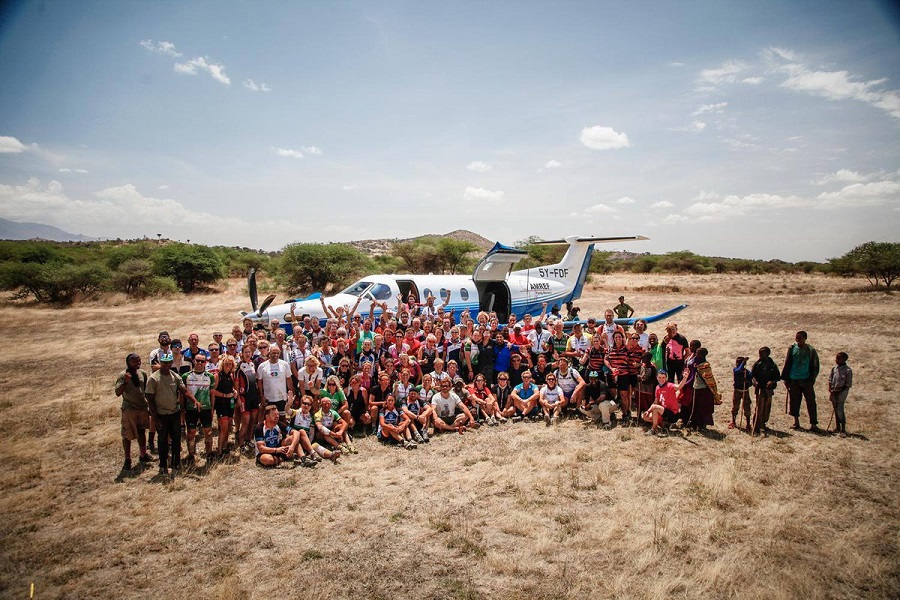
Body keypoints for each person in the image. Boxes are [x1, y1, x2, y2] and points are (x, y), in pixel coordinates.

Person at [145, 352, 187, 478]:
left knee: (176, 439)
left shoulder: (175, 376)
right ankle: (163, 465)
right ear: (160, 363)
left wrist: (191, 400)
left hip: (174, 413)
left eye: (169, 363)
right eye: (164, 363)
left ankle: (176, 463)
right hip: (161, 414)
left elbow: (183, 390)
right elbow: (150, 399)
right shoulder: (153, 378)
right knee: (162, 441)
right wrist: (155, 418)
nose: (167, 365)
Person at [114, 353, 152, 472]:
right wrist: (125, 382)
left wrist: (149, 406)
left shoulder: (143, 373)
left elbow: (146, 390)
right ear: (128, 362)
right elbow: (118, 392)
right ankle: (127, 459)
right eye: (134, 361)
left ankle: (143, 455)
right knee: (127, 434)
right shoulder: (123, 375)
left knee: (141, 432)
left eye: (139, 361)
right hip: (129, 408)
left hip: (142, 407)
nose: (137, 363)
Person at [781, 331, 821, 432]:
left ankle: (813, 424)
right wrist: (786, 378)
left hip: (806, 380)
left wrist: (811, 379)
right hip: (794, 380)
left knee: (811, 402)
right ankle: (796, 422)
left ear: (805, 338)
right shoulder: (792, 349)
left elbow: (815, 366)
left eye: (800, 338)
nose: (798, 340)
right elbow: (787, 362)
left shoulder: (810, 350)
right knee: (794, 402)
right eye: (797, 338)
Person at [182, 353, 214, 465]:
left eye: (202, 361)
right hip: (191, 409)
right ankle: (191, 455)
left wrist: (212, 409)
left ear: (206, 363)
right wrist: (182, 409)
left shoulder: (210, 376)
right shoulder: (186, 376)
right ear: (193, 361)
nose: (200, 363)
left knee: (208, 432)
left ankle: (209, 454)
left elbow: (212, 394)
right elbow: (182, 394)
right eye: (198, 361)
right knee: (191, 432)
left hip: (206, 408)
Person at [257, 346, 295, 421]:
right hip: (269, 398)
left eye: (278, 353)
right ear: (269, 353)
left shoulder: (284, 364)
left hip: (281, 398)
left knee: (282, 419)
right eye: (274, 353)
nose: (276, 355)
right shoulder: (262, 366)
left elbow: (289, 379)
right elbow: (259, 382)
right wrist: (261, 396)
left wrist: (291, 394)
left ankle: (282, 433)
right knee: (269, 419)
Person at [211, 355, 238, 457]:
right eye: (226, 364)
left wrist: (234, 392)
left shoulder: (230, 375)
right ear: (222, 364)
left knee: (229, 427)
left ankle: (225, 447)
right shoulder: (218, 376)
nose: (228, 366)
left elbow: (231, 388)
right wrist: (225, 395)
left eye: (230, 364)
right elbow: (213, 391)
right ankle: (219, 450)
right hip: (221, 404)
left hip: (229, 404)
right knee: (223, 428)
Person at [750, 347, 780, 435]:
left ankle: (763, 423)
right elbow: (752, 375)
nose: (760, 355)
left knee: (767, 407)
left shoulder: (772, 365)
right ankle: (756, 426)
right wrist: (754, 381)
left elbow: (777, 377)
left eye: (762, 353)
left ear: (767, 354)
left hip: (769, 390)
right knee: (759, 408)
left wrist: (772, 381)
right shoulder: (757, 364)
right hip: (760, 389)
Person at [643, 370, 680, 435]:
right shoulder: (657, 387)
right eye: (659, 377)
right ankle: (664, 425)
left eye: (663, 377)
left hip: (673, 414)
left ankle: (653, 429)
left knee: (655, 408)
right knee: (645, 417)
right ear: (657, 378)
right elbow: (655, 402)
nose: (661, 379)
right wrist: (648, 411)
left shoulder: (670, 385)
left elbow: (679, 387)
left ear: (666, 378)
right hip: (664, 411)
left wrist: (685, 377)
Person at [691, 348, 719, 431]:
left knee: (703, 408)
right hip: (696, 388)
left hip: (704, 390)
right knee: (696, 408)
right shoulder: (697, 364)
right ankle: (695, 424)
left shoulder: (705, 365)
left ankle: (702, 425)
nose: (696, 355)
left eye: (697, 353)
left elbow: (709, 378)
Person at [828, 352, 853, 437]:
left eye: (839, 359)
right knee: (835, 409)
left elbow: (848, 384)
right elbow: (830, 380)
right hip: (833, 392)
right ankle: (837, 427)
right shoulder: (834, 368)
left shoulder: (848, 370)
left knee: (840, 409)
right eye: (836, 358)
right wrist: (831, 390)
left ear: (844, 360)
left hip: (842, 393)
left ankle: (843, 429)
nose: (837, 360)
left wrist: (838, 391)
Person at [730, 356, 753, 431]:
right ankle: (733, 421)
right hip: (737, 390)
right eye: (737, 362)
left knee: (747, 407)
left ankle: (748, 424)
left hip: (745, 391)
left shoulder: (747, 372)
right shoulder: (736, 370)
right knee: (735, 406)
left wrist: (747, 382)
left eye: (739, 363)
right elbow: (738, 371)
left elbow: (751, 383)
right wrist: (743, 362)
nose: (737, 364)